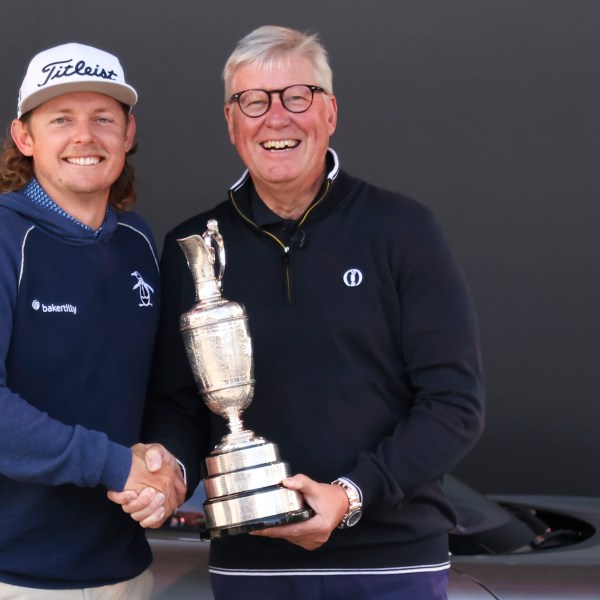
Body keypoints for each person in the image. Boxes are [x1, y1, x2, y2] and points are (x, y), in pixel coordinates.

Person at [124, 25, 484, 599]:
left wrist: (350, 493)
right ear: (231, 122)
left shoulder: (403, 230)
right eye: (254, 101)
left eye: (298, 96)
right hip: (251, 565)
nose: (277, 118)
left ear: (330, 111)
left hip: (392, 566)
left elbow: (454, 405)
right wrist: (169, 471)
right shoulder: (192, 247)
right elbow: (177, 405)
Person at [0, 43, 186, 598]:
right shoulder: (7, 239)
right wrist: (112, 465)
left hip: (124, 571)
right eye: (61, 119)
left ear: (127, 135)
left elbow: (162, 390)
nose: (85, 136)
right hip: (13, 576)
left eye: (103, 118)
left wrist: (167, 470)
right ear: (24, 138)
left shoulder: (138, 243)